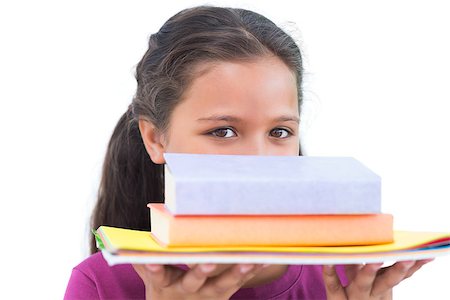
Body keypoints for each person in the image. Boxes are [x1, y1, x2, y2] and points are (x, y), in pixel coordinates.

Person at [64, 5, 433, 300]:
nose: (259, 160)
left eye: (279, 131)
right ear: (156, 139)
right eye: (223, 131)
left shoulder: (347, 278)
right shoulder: (101, 286)